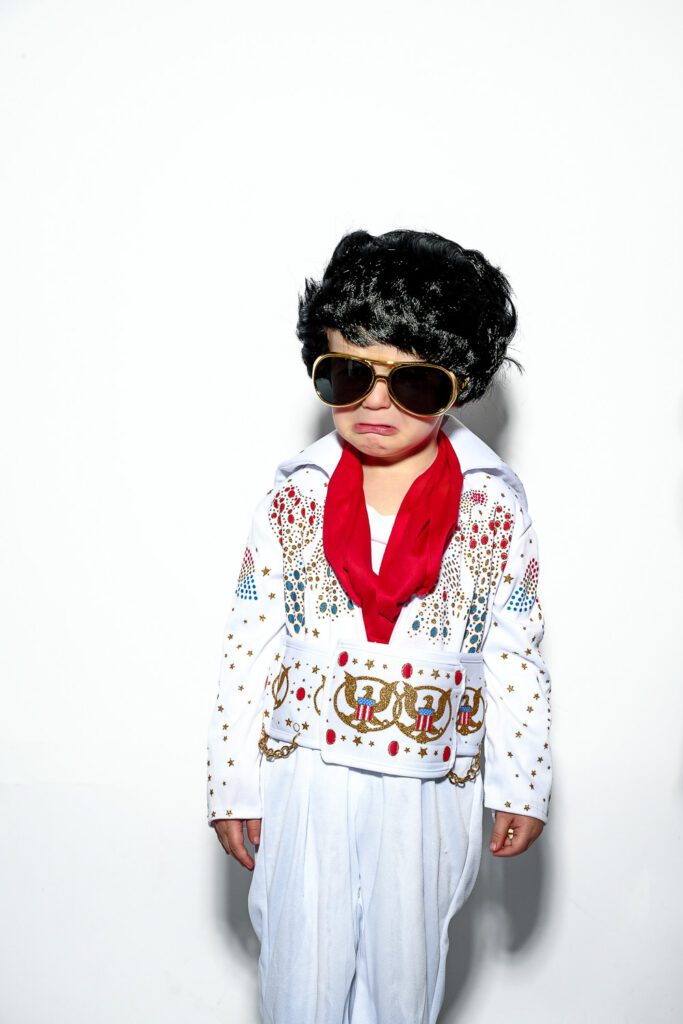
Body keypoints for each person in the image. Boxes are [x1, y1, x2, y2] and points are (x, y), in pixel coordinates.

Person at [206, 229, 552, 1024]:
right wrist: (233, 780)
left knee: (407, 969)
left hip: (432, 776)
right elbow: (248, 636)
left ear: (460, 385)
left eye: (414, 385)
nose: (373, 402)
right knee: (299, 960)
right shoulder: (293, 492)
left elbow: (514, 649)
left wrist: (522, 781)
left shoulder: (494, 503)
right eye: (346, 373)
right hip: (305, 770)